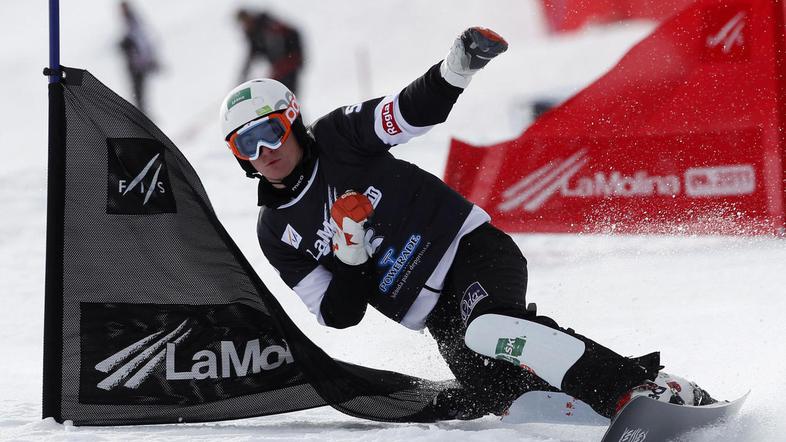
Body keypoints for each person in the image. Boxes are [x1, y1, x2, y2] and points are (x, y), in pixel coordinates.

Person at [217, 27, 716, 420]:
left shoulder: (339, 135)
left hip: (470, 251)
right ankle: (597, 405)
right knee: (506, 397)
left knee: (492, 328)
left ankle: (643, 389)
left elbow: (407, 112)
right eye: (247, 145)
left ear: (292, 119)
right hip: (436, 318)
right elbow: (339, 315)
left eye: (270, 133)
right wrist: (351, 260)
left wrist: (454, 70)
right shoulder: (273, 231)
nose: (265, 152)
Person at [235, 8, 304, 93]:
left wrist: (279, 66)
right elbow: (251, 56)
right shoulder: (253, 35)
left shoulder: (266, 25)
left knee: (285, 91)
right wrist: (242, 77)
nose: (245, 24)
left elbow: (278, 44)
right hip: (281, 64)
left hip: (291, 58)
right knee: (276, 89)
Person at [118, 1, 159, 113]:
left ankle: (144, 123)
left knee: (139, 95)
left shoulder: (133, 22)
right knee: (137, 96)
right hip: (135, 65)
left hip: (138, 65)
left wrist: (147, 59)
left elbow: (142, 41)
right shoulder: (129, 22)